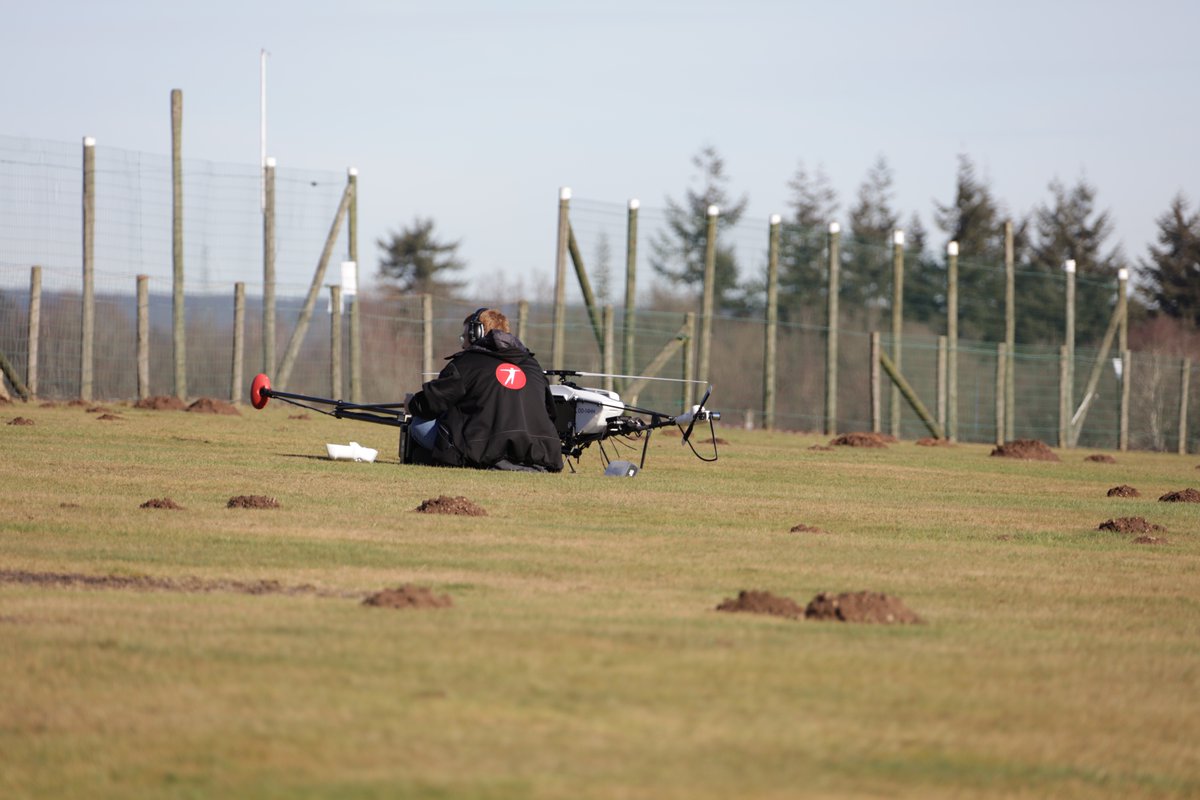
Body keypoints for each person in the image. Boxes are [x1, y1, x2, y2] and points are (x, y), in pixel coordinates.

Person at [405, 308, 563, 472]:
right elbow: (550, 412)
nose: (463, 343)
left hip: (482, 449)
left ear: (476, 334)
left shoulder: (467, 363)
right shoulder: (532, 365)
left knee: (419, 423)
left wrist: (411, 403)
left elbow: (431, 402)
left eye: (464, 336)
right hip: (538, 452)